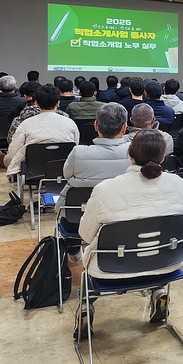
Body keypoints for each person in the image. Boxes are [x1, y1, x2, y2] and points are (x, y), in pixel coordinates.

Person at [75, 130, 183, 336]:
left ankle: (86, 305)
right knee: (153, 250)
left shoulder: (105, 189)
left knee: (89, 269)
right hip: (167, 264)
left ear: (130, 155)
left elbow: (85, 235)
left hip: (111, 269)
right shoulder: (179, 184)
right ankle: (159, 290)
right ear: (164, 157)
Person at [57, 103, 130, 256]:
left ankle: (74, 252)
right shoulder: (134, 152)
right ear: (124, 128)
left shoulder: (79, 152)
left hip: (76, 218)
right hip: (121, 219)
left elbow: (66, 175)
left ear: (96, 126)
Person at [5, 84, 80, 176]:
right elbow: (75, 145)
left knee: (8, 159)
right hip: (63, 170)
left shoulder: (26, 124)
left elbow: (14, 150)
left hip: (32, 172)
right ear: (58, 103)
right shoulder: (70, 122)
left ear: (37, 103)